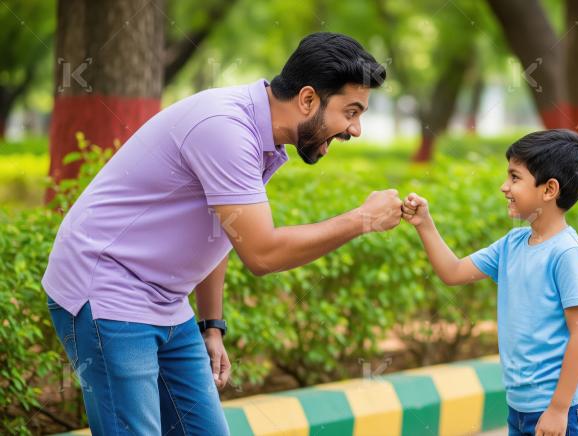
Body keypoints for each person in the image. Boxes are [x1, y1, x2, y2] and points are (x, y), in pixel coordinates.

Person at [42, 32, 401, 435]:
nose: (356, 130)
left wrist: (212, 324)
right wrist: (362, 219)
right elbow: (262, 254)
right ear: (307, 99)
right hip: (108, 288)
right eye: (351, 112)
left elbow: (223, 227)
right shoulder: (226, 128)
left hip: (166, 299)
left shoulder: (261, 133)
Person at [401, 129, 578, 436]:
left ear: (549, 190)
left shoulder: (566, 255)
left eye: (514, 178)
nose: (504, 187)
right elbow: (453, 272)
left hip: (561, 407)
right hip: (521, 404)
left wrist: (559, 409)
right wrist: (424, 224)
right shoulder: (512, 244)